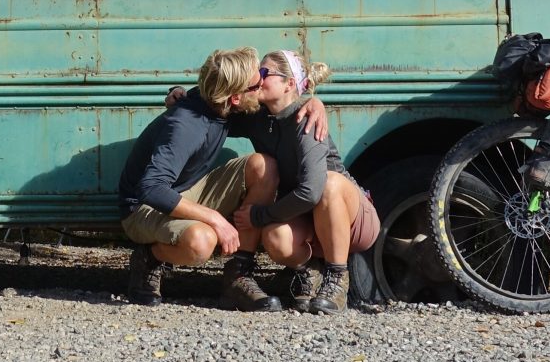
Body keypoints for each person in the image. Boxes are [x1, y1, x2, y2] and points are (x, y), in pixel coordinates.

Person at [117, 48, 309, 310]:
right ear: (237, 98)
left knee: (264, 167)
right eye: (258, 80)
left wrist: (313, 104)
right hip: (143, 207)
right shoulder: (186, 126)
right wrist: (215, 219)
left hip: (184, 190)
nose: (262, 82)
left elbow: (282, 106)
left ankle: (239, 274)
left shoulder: (218, 102)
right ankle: (149, 258)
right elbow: (151, 188)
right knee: (201, 241)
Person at [231, 49, 378, 315]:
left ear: (289, 84)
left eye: (263, 73)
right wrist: (182, 95)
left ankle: (337, 278)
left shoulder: (306, 118)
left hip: (353, 218)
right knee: (275, 237)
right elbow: (216, 100)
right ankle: (311, 272)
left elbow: (310, 192)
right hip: (308, 218)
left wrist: (260, 214)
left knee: (328, 184)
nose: (256, 78)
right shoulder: (257, 118)